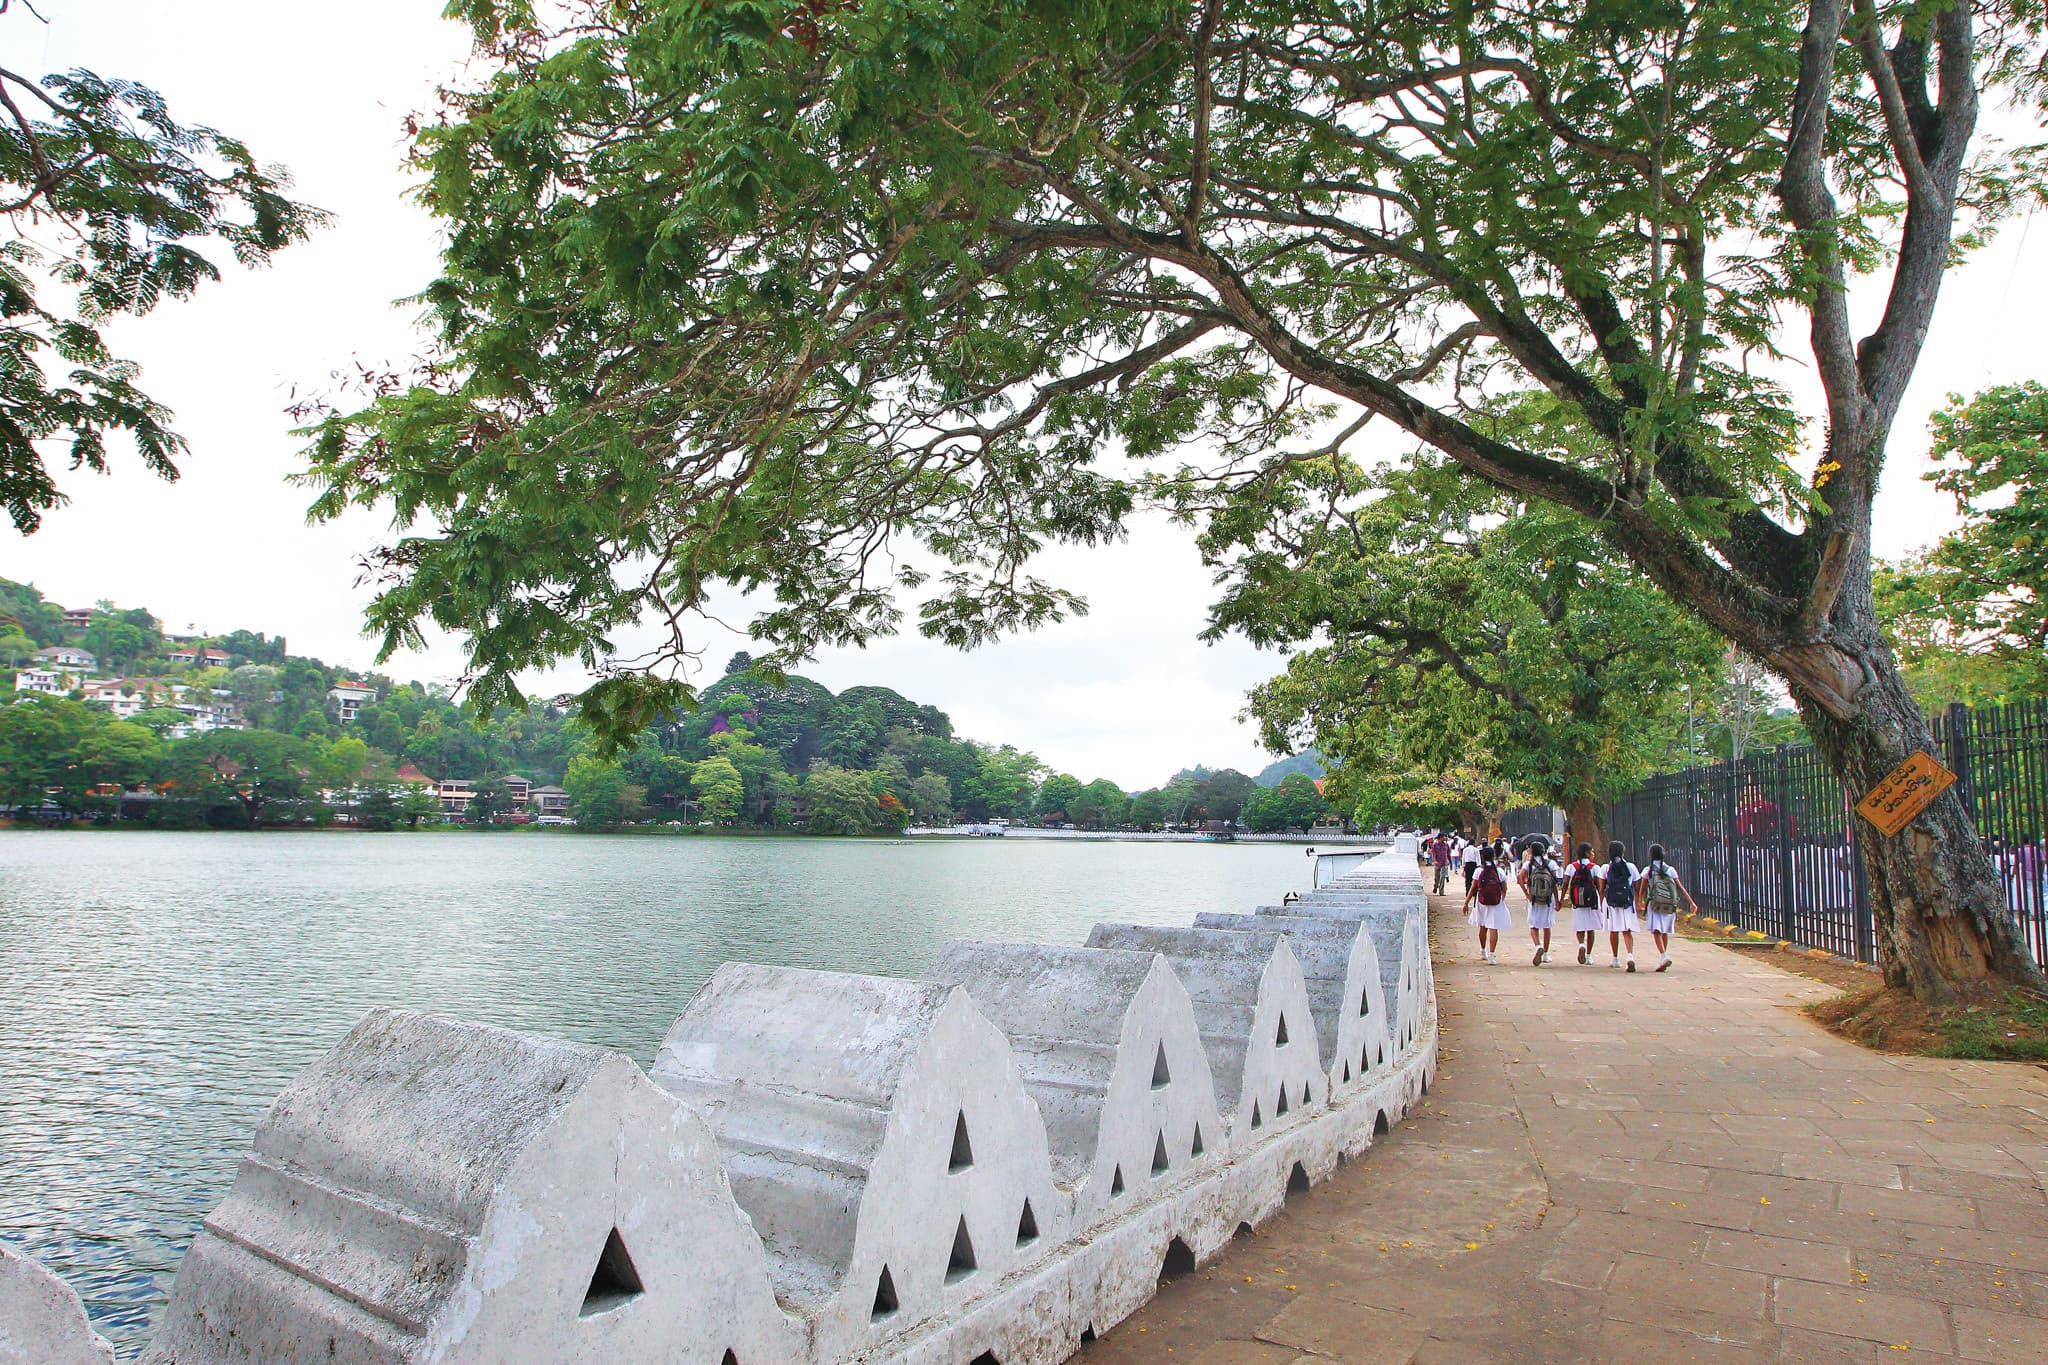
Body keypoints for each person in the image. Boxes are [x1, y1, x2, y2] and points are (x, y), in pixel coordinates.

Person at [1635, 843, 1698, 972]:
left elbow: (1642, 889)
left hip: (1655, 905)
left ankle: (1663, 955)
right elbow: (1680, 888)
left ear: (1650, 855)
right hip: (1668, 905)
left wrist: (1640, 902)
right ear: (1664, 854)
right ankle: (1663, 955)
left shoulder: (1648, 871)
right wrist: (1691, 902)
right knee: (1664, 931)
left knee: (1656, 931)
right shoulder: (1670, 870)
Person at [1595, 840, 1641, 972]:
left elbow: (1601, 888)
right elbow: (1636, 886)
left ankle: (1615, 958)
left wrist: (1601, 904)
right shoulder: (1631, 867)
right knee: (1627, 930)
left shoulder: (1605, 868)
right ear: (1623, 853)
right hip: (1627, 901)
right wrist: (1638, 902)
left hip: (1611, 902)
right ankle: (1630, 956)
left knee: (1613, 930)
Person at [1518, 835, 1562, 966]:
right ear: (1544, 851)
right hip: (1548, 899)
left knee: (1533, 925)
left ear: (1531, 852)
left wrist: (1527, 894)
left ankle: (1538, 946)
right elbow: (1554, 883)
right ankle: (1546, 954)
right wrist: (1557, 900)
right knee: (1547, 926)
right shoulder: (1551, 864)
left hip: (1534, 898)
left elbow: (1520, 877)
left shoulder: (1528, 864)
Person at [1464, 848, 1512, 964]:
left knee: (1483, 926)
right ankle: (1492, 955)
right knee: (1493, 927)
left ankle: (1483, 950)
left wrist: (1466, 903)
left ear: (1482, 857)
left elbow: (1473, 888)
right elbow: (1504, 888)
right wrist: (1501, 899)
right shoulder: (1499, 871)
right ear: (1493, 856)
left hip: (1481, 901)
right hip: (1495, 902)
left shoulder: (1478, 871)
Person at [1564, 841, 1604, 964]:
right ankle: (1589, 955)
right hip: (1592, 901)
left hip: (1577, 901)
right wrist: (1602, 901)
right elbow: (1599, 886)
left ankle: (1581, 944)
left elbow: (1565, 884)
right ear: (1587, 853)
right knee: (1590, 928)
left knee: (1580, 926)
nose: (1593, 854)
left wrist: (1561, 899)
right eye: (1592, 851)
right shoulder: (1595, 868)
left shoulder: (1571, 867)